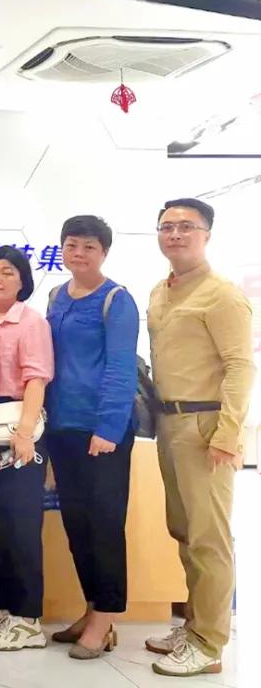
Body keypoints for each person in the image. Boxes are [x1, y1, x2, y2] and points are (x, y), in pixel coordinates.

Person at [145, 198, 253, 678]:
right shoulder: (160, 290)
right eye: (166, 226)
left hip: (206, 426)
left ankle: (209, 642)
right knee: (185, 531)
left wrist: (228, 434)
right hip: (169, 424)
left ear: (207, 234)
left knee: (210, 538)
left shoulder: (222, 295)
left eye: (186, 226)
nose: (175, 234)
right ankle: (193, 626)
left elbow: (241, 367)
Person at [44, 215, 139, 660]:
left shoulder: (116, 300)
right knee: (77, 526)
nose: (78, 253)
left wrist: (108, 429)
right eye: (71, 244)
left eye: (88, 246)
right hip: (62, 428)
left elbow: (121, 369)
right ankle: (91, 609)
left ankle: (105, 619)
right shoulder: (56, 296)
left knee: (103, 526)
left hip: (102, 432)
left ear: (104, 252)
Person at [0, 246, 54, 651]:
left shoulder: (31, 322)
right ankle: (3, 608)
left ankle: (28, 617)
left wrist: (25, 432)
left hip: (17, 423)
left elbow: (36, 378)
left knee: (20, 523)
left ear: (23, 281)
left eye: (7, 272)